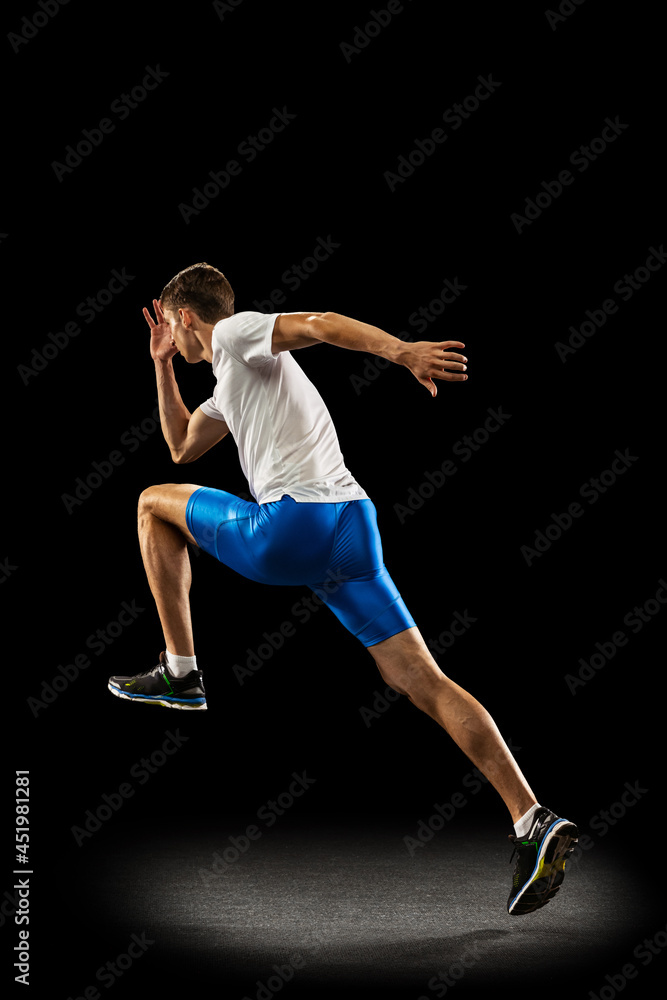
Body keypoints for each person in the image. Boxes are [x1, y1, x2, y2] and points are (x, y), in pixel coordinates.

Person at [108, 262, 578, 915]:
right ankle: (532, 819)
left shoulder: (238, 333)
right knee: (420, 679)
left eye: (170, 327)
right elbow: (184, 444)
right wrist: (160, 365)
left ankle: (181, 670)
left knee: (149, 503)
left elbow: (320, 325)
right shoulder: (231, 380)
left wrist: (400, 350)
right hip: (351, 528)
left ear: (185, 314)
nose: (173, 340)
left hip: (292, 526)